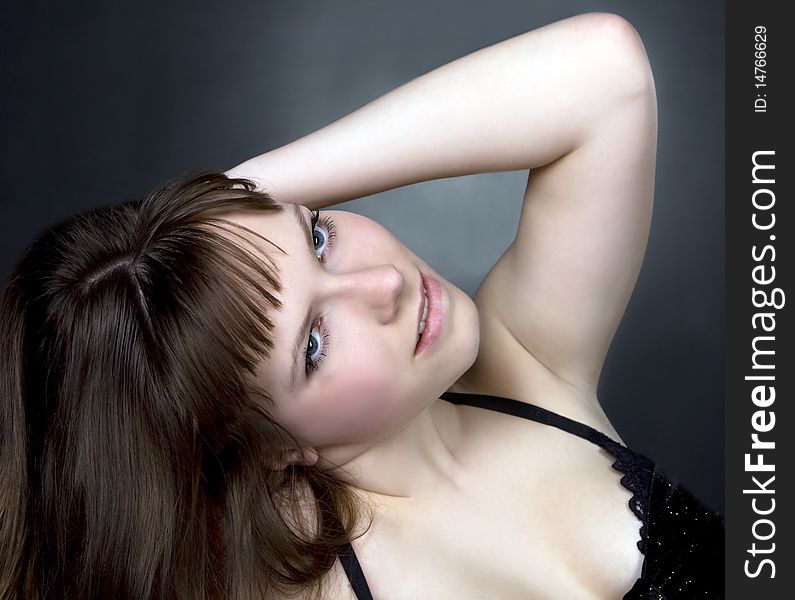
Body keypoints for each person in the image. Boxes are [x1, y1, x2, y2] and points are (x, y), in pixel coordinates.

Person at [0, 11, 723, 600]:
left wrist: (243, 191)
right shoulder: (302, 587)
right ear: (275, 446)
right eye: (312, 343)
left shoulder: (527, 370)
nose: (384, 286)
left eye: (319, 237)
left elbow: (605, 73)